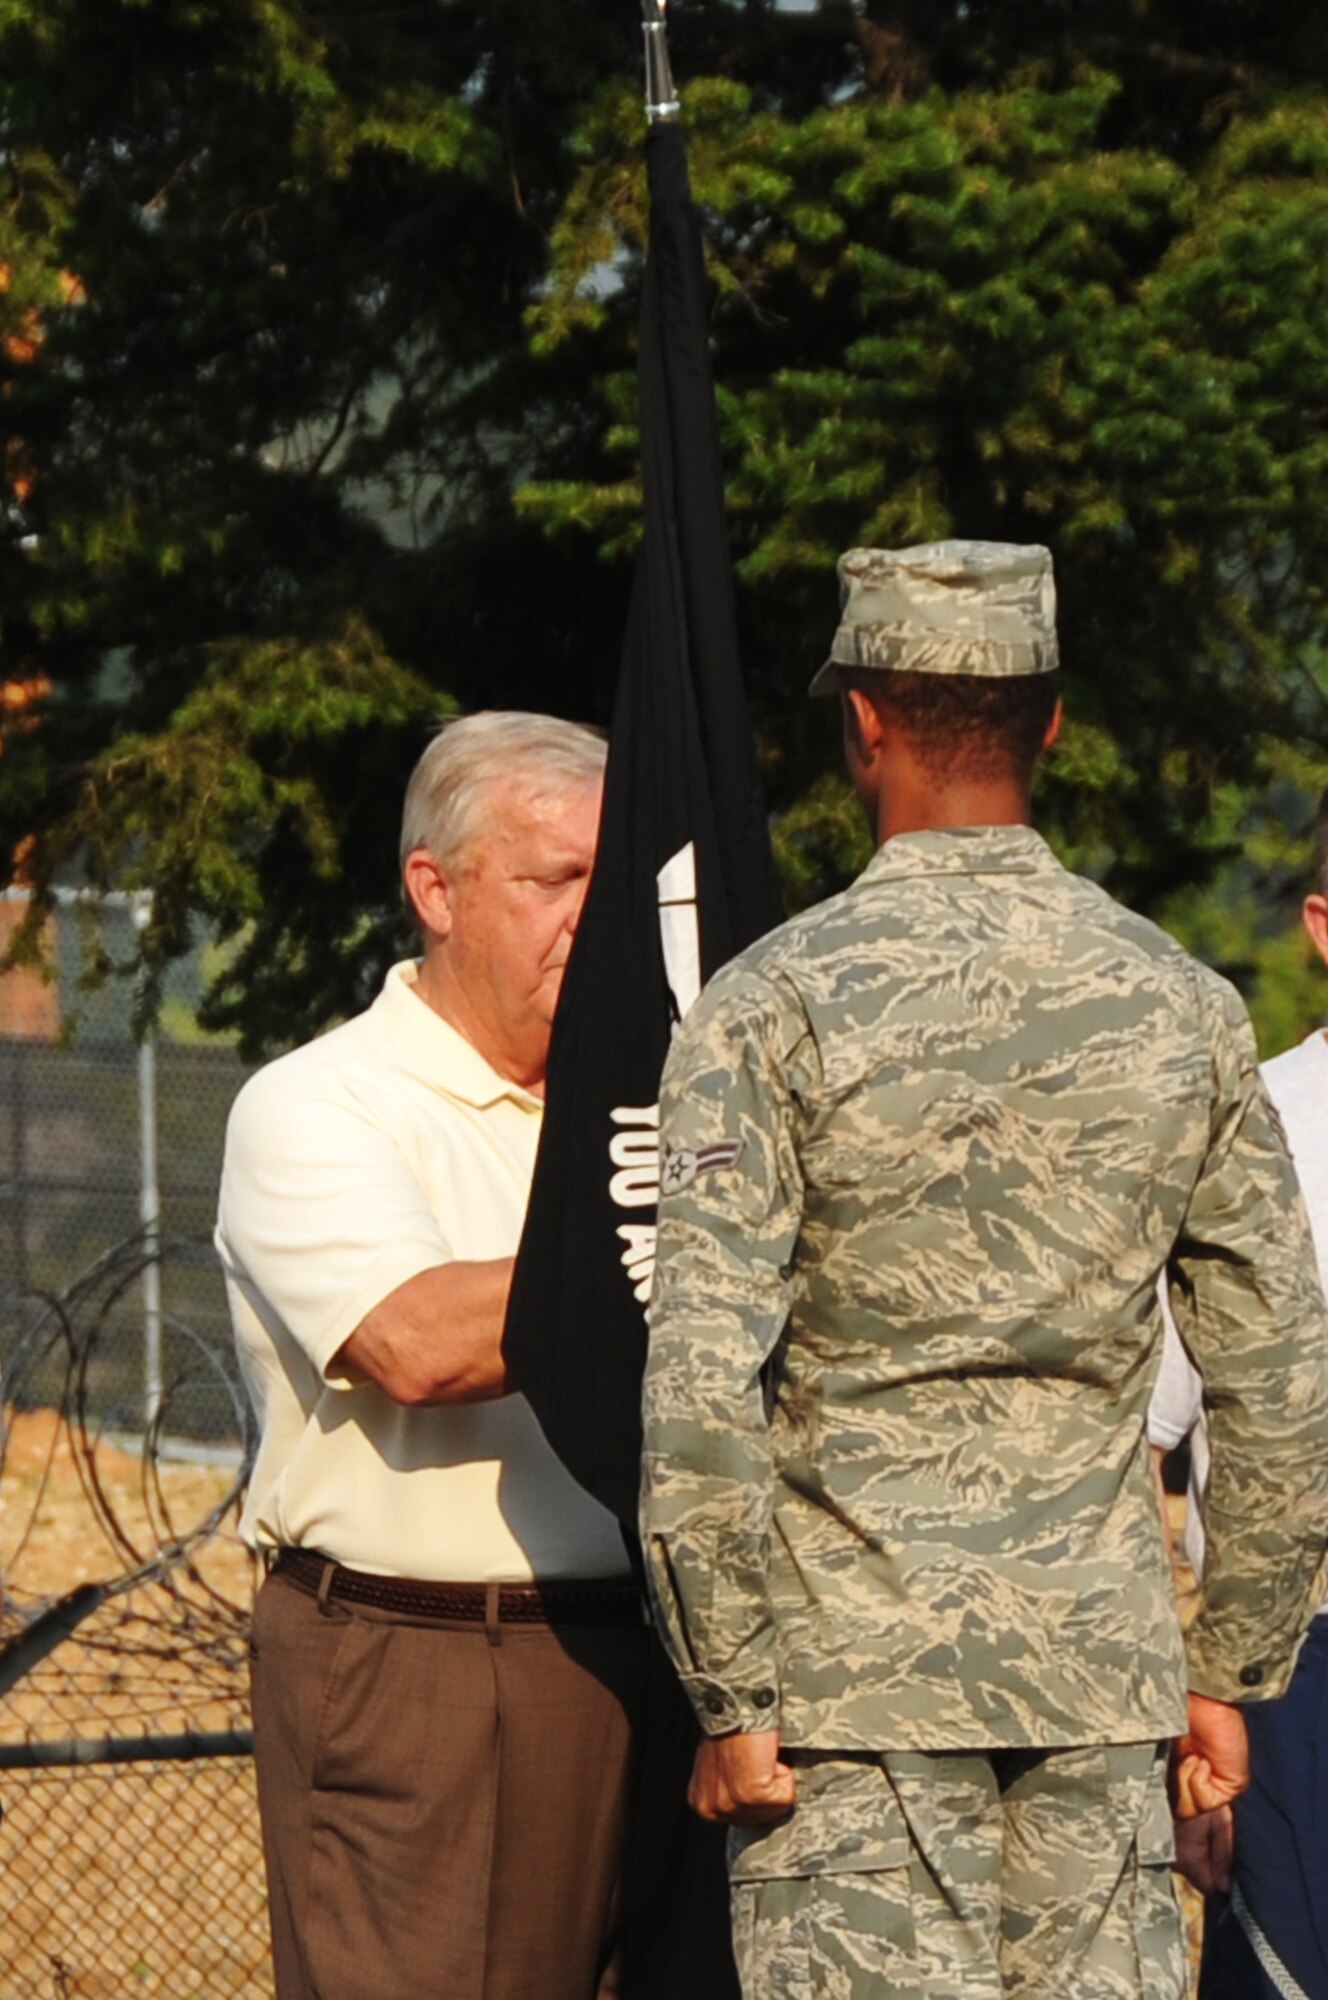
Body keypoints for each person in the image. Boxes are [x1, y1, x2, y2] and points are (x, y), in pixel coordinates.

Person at [639, 541, 1328, 2000]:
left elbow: (701, 1384)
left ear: (865, 724)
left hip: (846, 1711)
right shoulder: (1184, 1010)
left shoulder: (767, 1009)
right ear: (1053, 722)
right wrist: (1229, 1671)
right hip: (1098, 1695)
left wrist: (729, 1687)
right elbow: (1277, 1373)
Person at [216, 712, 648, 2000]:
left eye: (608, 881)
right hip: (429, 1666)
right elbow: (415, 1341)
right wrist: (677, 1245)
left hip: (656, 1654)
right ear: (434, 889)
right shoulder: (317, 1101)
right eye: (551, 878)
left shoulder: (646, 1107)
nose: (589, 913)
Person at [1151, 788, 1328, 2000]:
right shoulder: (1247, 1127)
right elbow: (1134, 1445)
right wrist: (1188, 1716)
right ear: (1321, 925)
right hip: (1295, 1674)